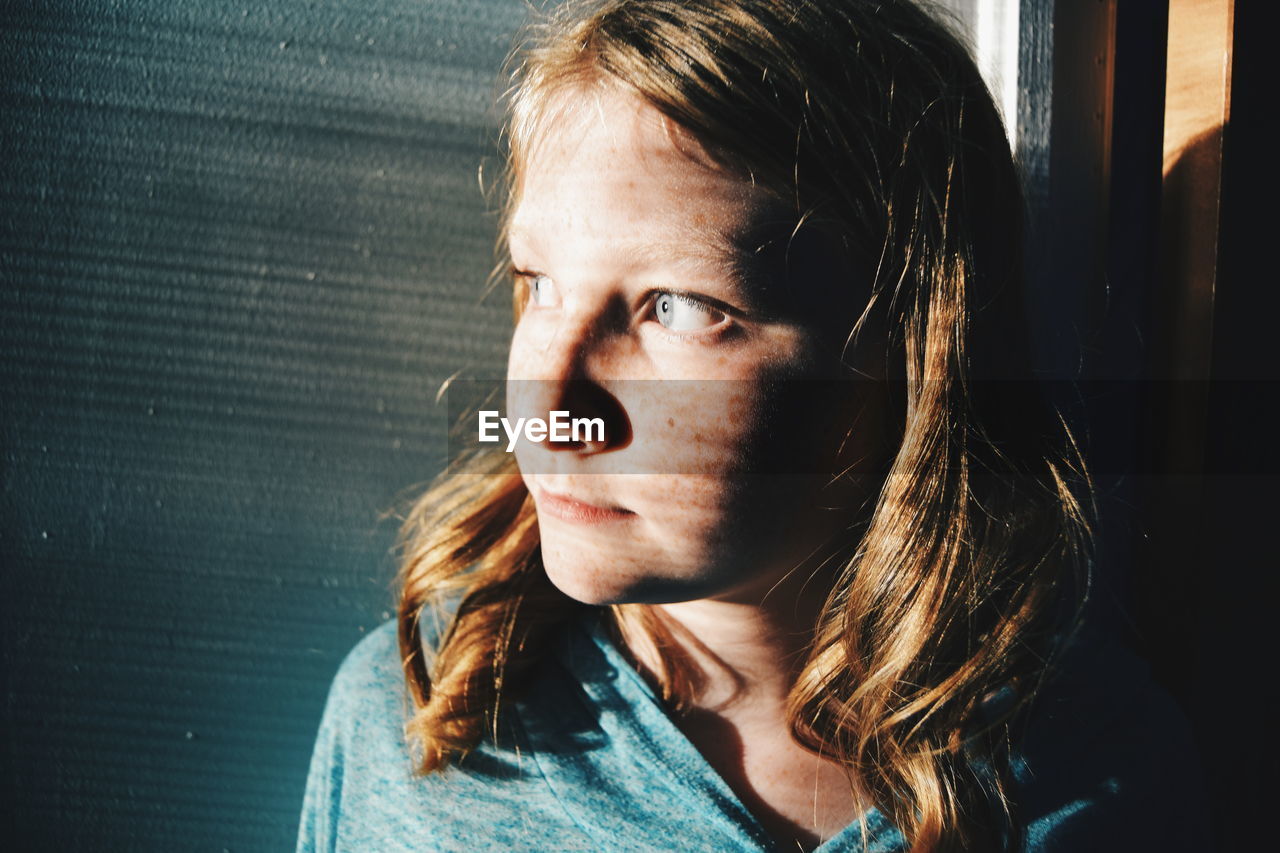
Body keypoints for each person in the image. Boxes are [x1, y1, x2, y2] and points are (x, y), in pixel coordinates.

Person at [297, 1, 1208, 850]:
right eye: (539, 284)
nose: (549, 406)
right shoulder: (423, 722)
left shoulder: (1102, 779)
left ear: (909, 353)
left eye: (679, 308)